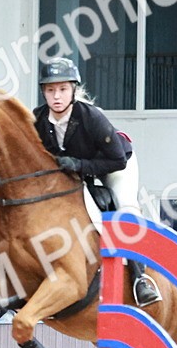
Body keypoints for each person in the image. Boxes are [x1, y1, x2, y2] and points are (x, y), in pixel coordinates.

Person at [32, 57, 162, 307]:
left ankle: (140, 278)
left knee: (124, 207)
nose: (56, 96)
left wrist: (79, 165)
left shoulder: (91, 117)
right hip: (78, 172)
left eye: (62, 89)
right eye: (50, 90)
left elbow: (116, 161)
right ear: (43, 93)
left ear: (73, 90)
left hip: (114, 165)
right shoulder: (38, 120)